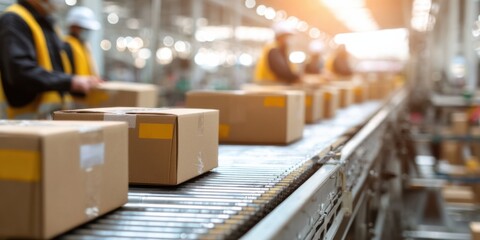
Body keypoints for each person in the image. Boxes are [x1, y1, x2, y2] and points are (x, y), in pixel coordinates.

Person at [0, 0, 102, 119]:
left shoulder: (47, 24)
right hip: (22, 122)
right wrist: (71, 82)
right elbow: (19, 71)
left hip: (47, 119)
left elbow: (56, 68)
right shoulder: (14, 20)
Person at [63, 6, 100, 76]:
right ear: (73, 27)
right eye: (84, 28)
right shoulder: (66, 45)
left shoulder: (83, 45)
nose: (87, 32)